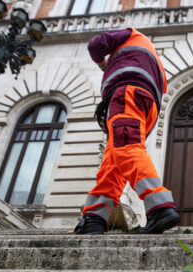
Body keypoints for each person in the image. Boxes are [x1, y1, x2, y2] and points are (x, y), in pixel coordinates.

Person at [74, 28, 180, 235]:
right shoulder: (154, 62)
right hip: (146, 105)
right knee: (114, 161)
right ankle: (94, 218)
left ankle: (160, 206)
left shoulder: (131, 34)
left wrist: (103, 64)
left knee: (126, 147)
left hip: (126, 95)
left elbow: (95, 45)